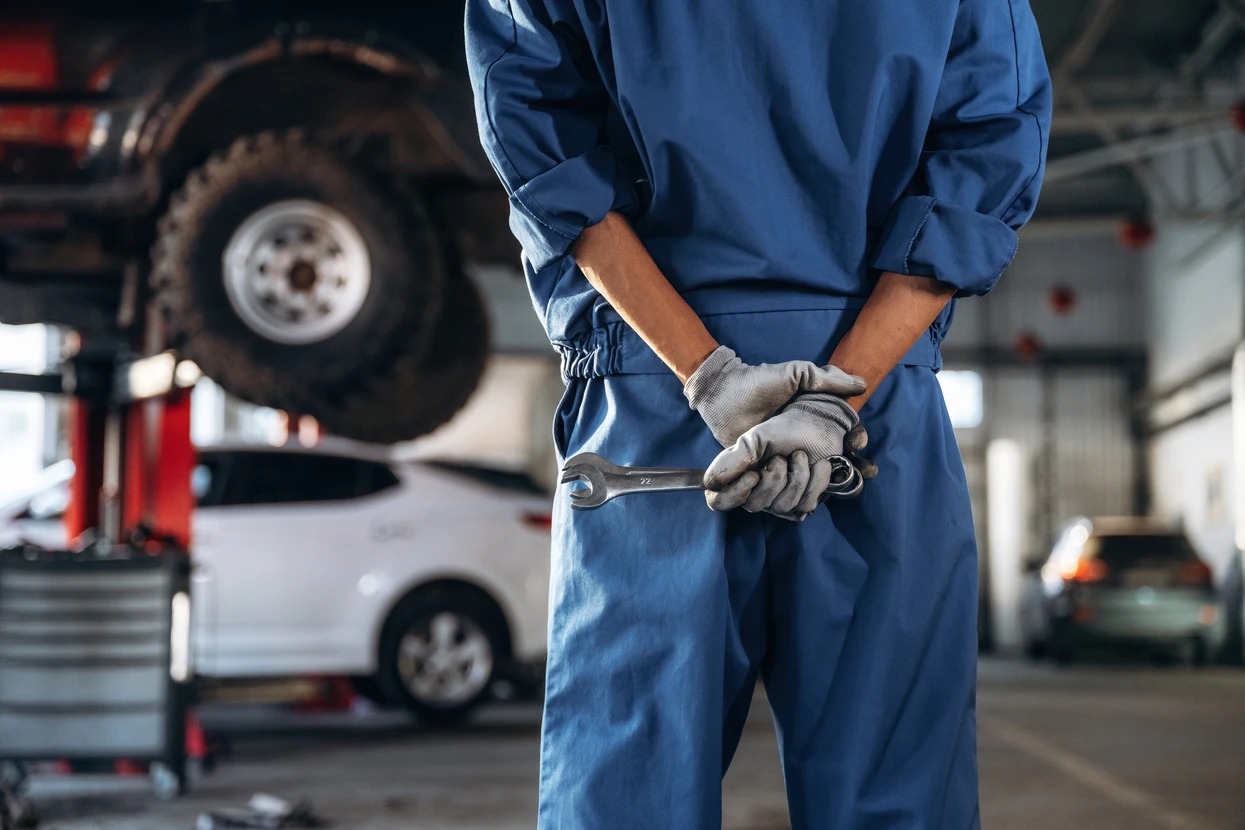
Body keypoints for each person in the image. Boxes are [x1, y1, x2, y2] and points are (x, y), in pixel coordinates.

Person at [466, 0, 1051, 826]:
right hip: (868, 412)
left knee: (631, 798)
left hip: (654, 407)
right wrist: (830, 394)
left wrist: (708, 375)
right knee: (897, 798)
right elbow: (987, 151)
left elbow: (541, 149)